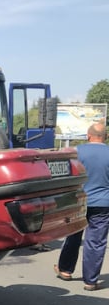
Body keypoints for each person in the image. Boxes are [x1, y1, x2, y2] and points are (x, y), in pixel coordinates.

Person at [55, 122, 109, 291]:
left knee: (73, 234)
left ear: (88, 135)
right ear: (105, 137)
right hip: (103, 203)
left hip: (78, 201)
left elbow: (64, 176)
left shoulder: (76, 152)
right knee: (96, 242)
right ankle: (90, 281)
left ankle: (65, 270)